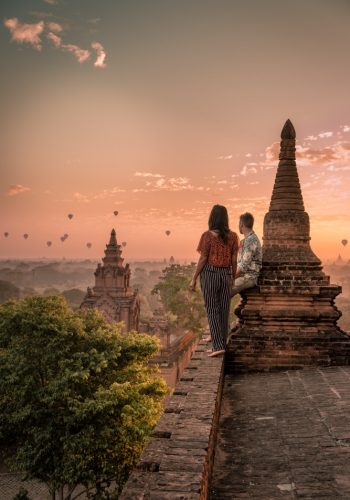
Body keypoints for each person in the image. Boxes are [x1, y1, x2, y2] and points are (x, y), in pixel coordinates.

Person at [190, 205, 239, 357]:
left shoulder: (207, 236)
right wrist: (232, 277)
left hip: (210, 274)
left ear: (212, 218)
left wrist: (194, 278)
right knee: (224, 308)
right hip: (226, 274)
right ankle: (221, 342)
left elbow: (203, 258)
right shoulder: (233, 236)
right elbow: (234, 259)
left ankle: (217, 346)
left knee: (212, 308)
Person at [231, 212, 262, 297]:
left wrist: (231, 278)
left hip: (249, 277)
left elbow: (243, 266)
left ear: (242, 224)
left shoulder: (251, 240)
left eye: (239, 223)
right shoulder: (245, 241)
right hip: (243, 275)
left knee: (226, 290)